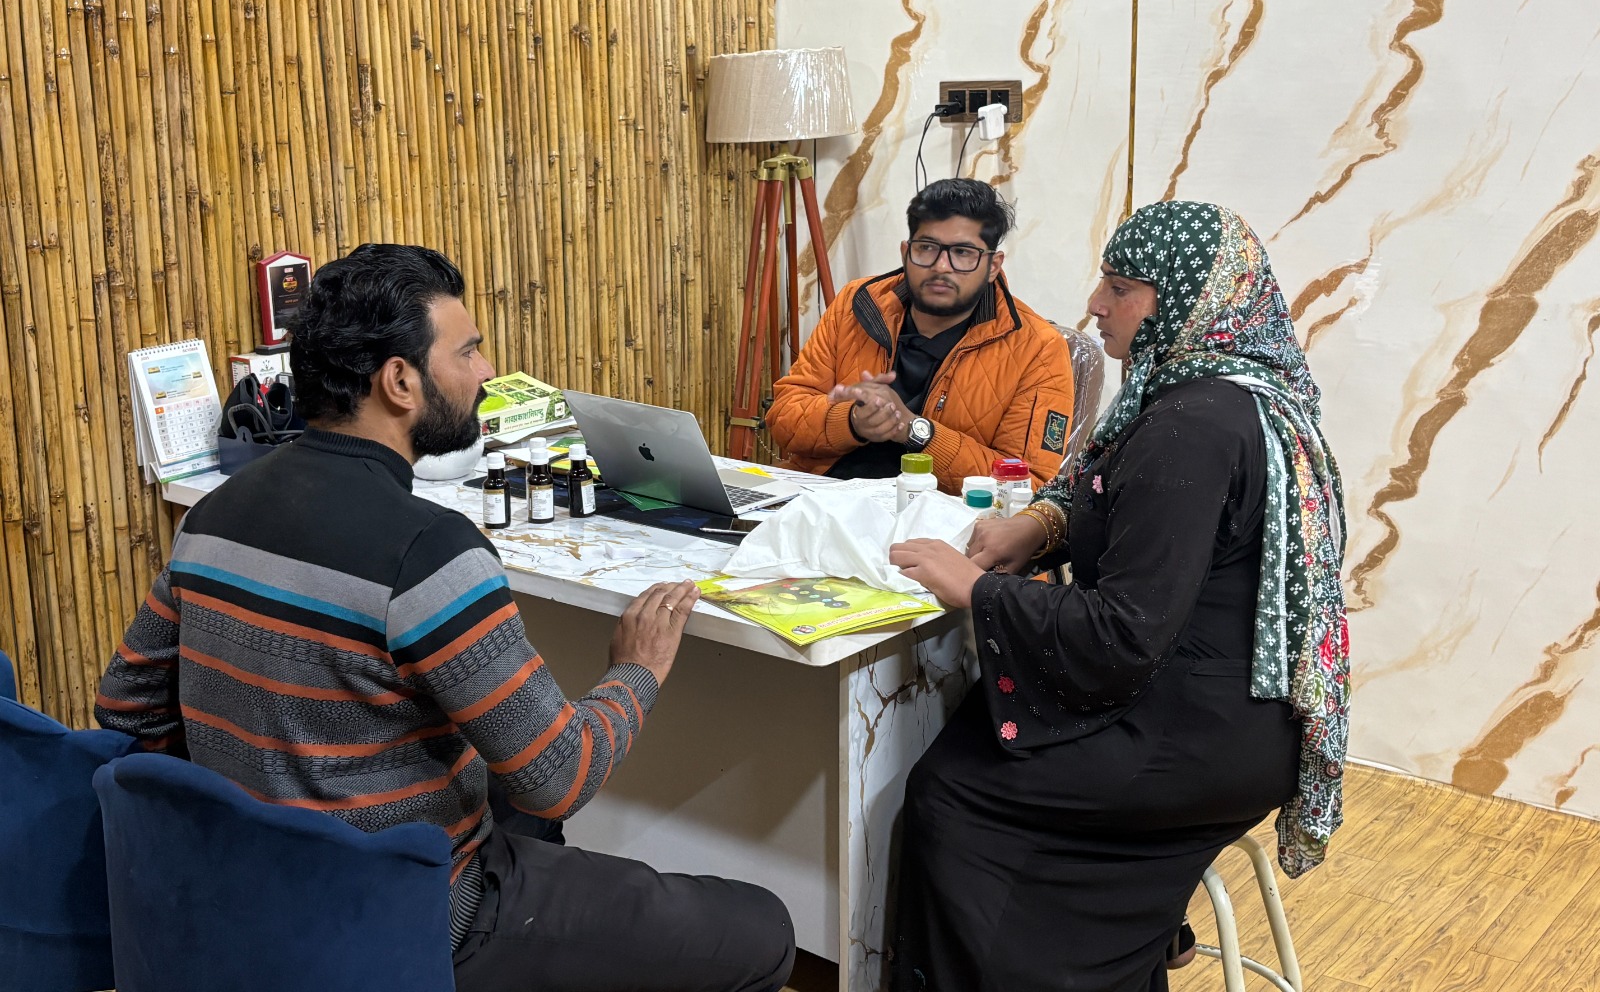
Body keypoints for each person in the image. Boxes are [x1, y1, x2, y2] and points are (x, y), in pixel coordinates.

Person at [96, 244, 795, 992]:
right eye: (469, 350)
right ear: (400, 381)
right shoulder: (428, 554)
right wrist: (638, 668)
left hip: (248, 900)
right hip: (414, 917)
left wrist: (268, 794)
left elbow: (125, 706)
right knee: (761, 930)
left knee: (513, 806)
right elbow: (560, 777)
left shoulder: (211, 516)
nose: (487, 372)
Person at [886, 202, 1349, 991]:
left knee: (950, 793)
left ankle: (1079, 950)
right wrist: (1040, 526)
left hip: (1196, 741)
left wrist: (976, 593)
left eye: (1121, 287)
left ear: (1184, 301)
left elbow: (1126, 633)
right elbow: (1122, 509)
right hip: (1240, 718)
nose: (1096, 304)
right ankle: (1129, 937)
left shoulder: (1191, 426)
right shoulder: (1233, 394)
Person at [766, 178, 1076, 494]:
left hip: (938, 527)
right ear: (906, 252)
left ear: (993, 265)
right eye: (926, 248)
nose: (941, 266)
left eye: (963, 252)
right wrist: (852, 421)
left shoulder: (1039, 348)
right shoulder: (856, 303)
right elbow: (784, 419)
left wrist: (915, 431)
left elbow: (1027, 486)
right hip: (820, 499)